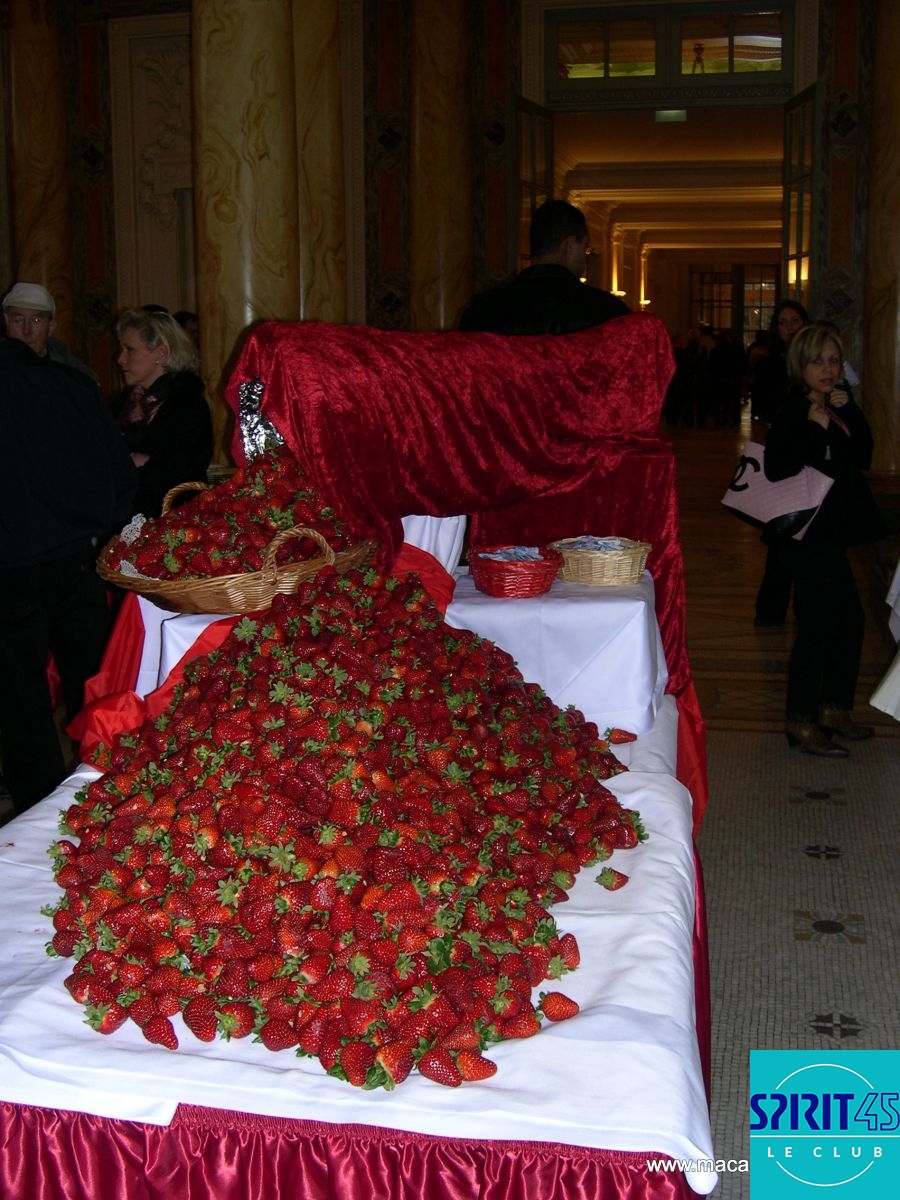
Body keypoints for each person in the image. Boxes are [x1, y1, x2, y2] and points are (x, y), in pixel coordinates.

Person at [0, 336, 137, 812]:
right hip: (75, 559)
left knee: (21, 699)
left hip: (9, 567)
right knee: (93, 683)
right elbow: (120, 474)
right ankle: (107, 790)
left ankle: (39, 809)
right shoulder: (73, 386)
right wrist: (100, 526)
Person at [764, 323, 885, 757]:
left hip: (833, 533)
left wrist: (850, 414)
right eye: (818, 361)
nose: (827, 369)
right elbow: (777, 468)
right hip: (806, 537)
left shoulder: (839, 406)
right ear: (801, 365)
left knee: (849, 621)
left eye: (834, 361)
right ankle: (801, 719)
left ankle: (834, 709)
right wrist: (815, 429)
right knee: (818, 626)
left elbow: (863, 455)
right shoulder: (793, 410)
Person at [458, 199, 630, 334]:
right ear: (569, 246)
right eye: (585, 247)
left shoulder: (482, 310)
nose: (585, 257)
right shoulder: (608, 313)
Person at [111, 307, 213, 517]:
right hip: (123, 517)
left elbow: (174, 472)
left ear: (161, 353)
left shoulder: (188, 405)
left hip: (173, 519)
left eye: (130, 350)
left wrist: (133, 463)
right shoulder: (123, 404)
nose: (120, 359)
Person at [751, 300, 811, 626]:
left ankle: (805, 607)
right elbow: (762, 409)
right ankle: (771, 610)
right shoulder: (770, 364)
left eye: (794, 320)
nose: (789, 328)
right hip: (782, 456)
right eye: (783, 322)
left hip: (810, 458)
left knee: (807, 535)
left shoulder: (815, 361)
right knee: (780, 535)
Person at [2, 281, 98, 383]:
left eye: (36, 320)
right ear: (6, 322)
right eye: (18, 320)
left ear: (51, 327)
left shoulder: (71, 376)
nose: (26, 330)